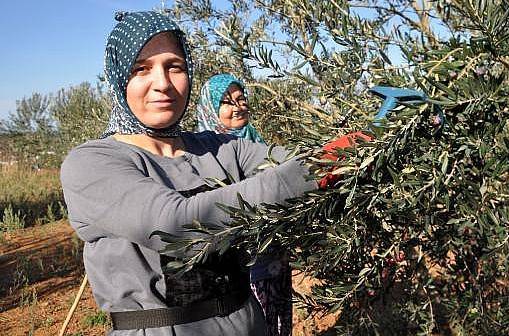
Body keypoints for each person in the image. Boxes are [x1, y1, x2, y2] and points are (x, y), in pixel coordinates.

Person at [60, 11, 317, 335]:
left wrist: (363, 143)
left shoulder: (219, 147)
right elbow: (175, 225)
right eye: (141, 69)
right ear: (117, 77)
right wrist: (309, 172)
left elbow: (291, 160)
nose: (163, 83)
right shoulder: (93, 163)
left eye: (174, 66)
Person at [197, 74, 292, 336]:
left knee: (278, 319)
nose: (238, 107)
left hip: (274, 256)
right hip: (238, 267)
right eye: (227, 103)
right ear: (210, 109)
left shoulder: (256, 140)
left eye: (241, 99)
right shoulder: (204, 155)